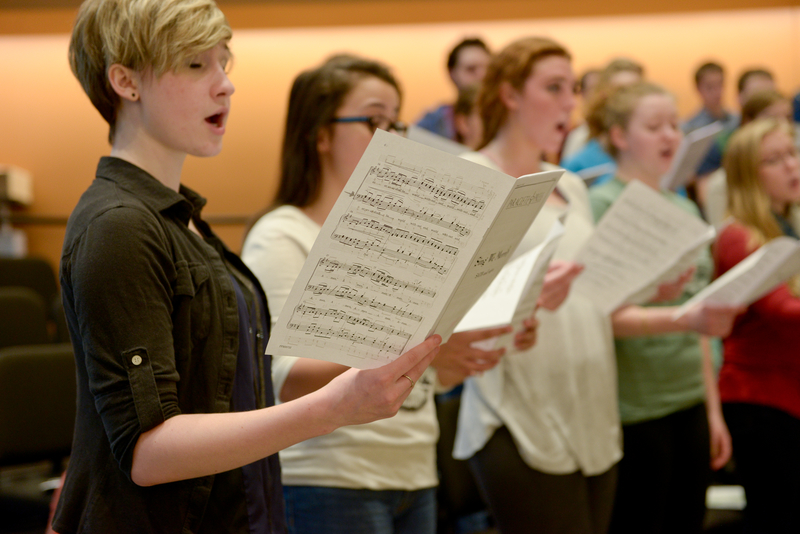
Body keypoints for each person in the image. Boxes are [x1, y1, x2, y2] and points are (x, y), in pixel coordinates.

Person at [53, 2, 441, 533]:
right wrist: (331, 408)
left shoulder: (182, 221)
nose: (224, 85)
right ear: (126, 81)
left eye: (223, 62)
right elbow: (148, 450)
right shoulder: (118, 225)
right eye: (195, 65)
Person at [241, 54, 538, 534]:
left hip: (413, 468)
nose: (393, 137)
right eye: (374, 120)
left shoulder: (401, 239)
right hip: (329, 480)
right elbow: (286, 380)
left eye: (397, 122)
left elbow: (420, 381)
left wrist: (468, 347)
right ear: (319, 135)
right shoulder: (283, 235)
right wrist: (419, 338)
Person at [451, 36, 621, 534]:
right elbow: (444, 311)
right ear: (509, 94)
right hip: (515, 407)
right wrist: (522, 294)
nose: (571, 102)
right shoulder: (470, 177)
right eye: (554, 87)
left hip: (590, 402)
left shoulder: (567, 182)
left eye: (573, 87)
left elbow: (588, 294)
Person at [587, 81, 743, 534]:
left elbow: (700, 313)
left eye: (674, 125)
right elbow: (601, 315)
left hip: (690, 396)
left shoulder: (682, 204)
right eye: (654, 127)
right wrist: (681, 316)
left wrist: (712, 409)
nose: (670, 137)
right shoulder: (601, 205)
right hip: (636, 407)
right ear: (619, 136)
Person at [714, 117, 800, 533]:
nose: (791, 166)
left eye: (791, 154)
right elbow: (784, 314)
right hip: (760, 399)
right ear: (750, 175)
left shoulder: (788, 222)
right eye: (774, 160)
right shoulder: (739, 236)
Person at [703, 89, 793, 227]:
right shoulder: (721, 185)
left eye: (787, 117)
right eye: (772, 118)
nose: (783, 125)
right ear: (747, 122)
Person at [561, 58, 645, 186]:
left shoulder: (653, 153)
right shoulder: (580, 158)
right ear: (603, 96)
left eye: (639, 91)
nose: (631, 100)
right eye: (622, 91)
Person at [416, 37, 491, 140]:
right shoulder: (432, 123)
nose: (482, 75)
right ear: (452, 74)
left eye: (488, 68)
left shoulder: (508, 118)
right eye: (471, 69)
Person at [682, 61, 737, 134]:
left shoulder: (737, 120)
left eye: (720, 85)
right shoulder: (690, 127)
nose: (717, 92)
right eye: (710, 87)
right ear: (698, 89)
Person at [560, 67, 601, 160]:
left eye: (601, 88)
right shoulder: (576, 136)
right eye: (593, 89)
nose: (599, 94)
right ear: (582, 93)